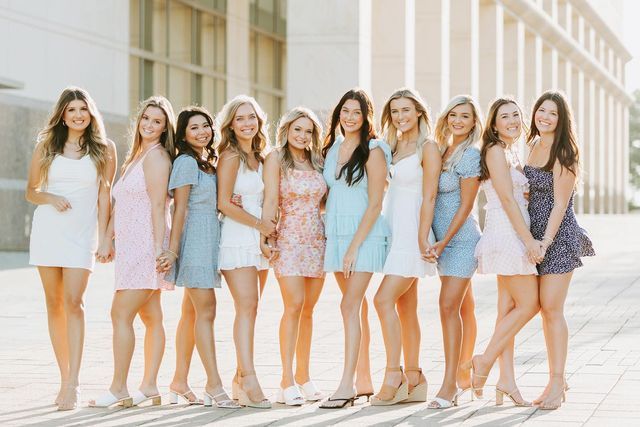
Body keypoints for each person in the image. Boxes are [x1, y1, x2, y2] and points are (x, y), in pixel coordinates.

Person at [26, 87, 117, 410]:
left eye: (83, 109)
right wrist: (50, 197)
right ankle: (63, 378)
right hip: (49, 230)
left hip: (82, 234)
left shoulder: (105, 149)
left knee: (74, 302)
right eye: (71, 110)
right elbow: (31, 191)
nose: (78, 115)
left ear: (91, 113)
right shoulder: (46, 146)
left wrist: (106, 236)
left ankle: (74, 383)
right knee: (54, 304)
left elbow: (105, 195)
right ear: (62, 115)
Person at [89, 96, 175, 408]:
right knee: (151, 316)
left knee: (120, 313)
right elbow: (120, 202)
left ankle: (119, 388)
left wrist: (158, 251)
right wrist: (108, 238)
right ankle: (150, 387)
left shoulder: (156, 157)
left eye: (157, 121)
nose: (150, 125)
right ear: (138, 121)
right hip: (130, 247)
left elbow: (156, 205)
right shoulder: (135, 156)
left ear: (165, 129)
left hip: (145, 247)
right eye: (146, 119)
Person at [157, 106, 239, 409]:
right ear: (183, 133)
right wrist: (173, 250)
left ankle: (179, 380)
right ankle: (214, 386)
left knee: (191, 313)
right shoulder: (185, 162)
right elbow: (179, 209)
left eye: (206, 126)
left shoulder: (207, 162)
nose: (202, 132)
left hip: (209, 238)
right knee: (207, 311)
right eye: (194, 128)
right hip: (193, 242)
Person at [467, 97, 542, 406]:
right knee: (530, 304)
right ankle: (484, 360)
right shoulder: (496, 151)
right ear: (494, 124)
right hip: (507, 233)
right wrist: (528, 240)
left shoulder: (512, 151)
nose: (512, 120)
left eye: (516, 115)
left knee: (507, 308)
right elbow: (508, 200)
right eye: (504, 117)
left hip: (514, 229)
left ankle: (506, 380)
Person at [319, 88, 391, 409]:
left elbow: (375, 204)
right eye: (345, 111)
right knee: (356, 307)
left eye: (357, 113)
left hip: (363, 237)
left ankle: (345, 384)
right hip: (336, 235)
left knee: (348, 306)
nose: (350, 117)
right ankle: (364, 380)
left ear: (366, 117)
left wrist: (352, 248)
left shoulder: (374, 149)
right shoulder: (333, 147)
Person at [523, 90, 594, 410]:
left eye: (552, 113)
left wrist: (545, 243)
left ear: (562, 119)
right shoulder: (531, 145)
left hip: (557, 237)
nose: (545, 117)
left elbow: (560, 205)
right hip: (531, 238)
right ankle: (557, 378)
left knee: (551, 308)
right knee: (537, 307)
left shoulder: (564, 152)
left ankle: (556, 381)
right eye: (541, 111)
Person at [371, 88, 439, 406]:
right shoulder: (392, 146)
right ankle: (414, 378)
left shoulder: (428, 147)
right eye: (395, 111)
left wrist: (423, 236)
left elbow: (430, 196)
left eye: (406, 110)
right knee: (405, 309)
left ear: (419, 112)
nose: (400, 116)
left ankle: (392, 374)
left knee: (382, 300)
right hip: (394, 231)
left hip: (413, 233)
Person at [261, 107, 327, 405]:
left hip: (316, 240)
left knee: (309, 310)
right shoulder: (275, 158)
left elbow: (323, 201)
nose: (302, 136)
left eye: (308, 131)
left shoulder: (317, 160)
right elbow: (271, 199)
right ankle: (286, 380)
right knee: (294, 305)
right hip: (287, 239)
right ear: (286, 129)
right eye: (297, 129)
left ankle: (304, 376)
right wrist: (265, 235)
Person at [216, 95, 274, 409]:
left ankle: (240, 377)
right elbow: (223, 203)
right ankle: (249, 377)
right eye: (240, 118)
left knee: (251, 309)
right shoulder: (229, 156)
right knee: (247, 306)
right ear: (231, 125)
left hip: (259, 240)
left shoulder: (262, 157)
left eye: (251, 117)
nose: (247, 123)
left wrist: (266, 230)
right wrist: (258, 224)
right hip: (238, 236)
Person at [427, 95, 483, 409]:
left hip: (460, 240)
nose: (458, 121)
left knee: (448, 306)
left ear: (474, 122)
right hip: (441, 242)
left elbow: (465, 207)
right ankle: (464, 374)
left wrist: (443, 241)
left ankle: (449, 386)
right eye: (453, 115)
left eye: (465, 116)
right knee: (464, 307)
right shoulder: (442, 149)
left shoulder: (471, 156)